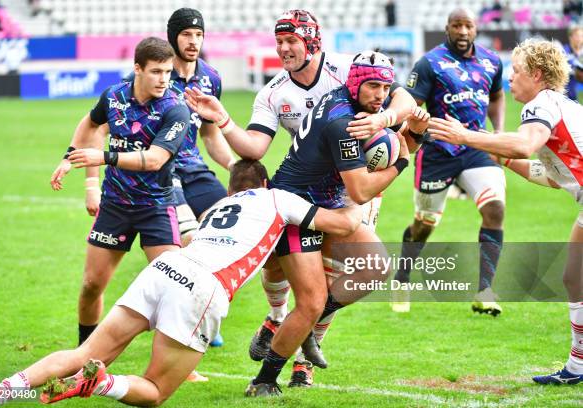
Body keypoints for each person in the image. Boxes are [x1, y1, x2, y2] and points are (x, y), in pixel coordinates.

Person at [0, 160, 363, 408]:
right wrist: (362, 190)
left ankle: (2, 390)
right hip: (203, 286)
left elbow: (193, 241)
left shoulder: (218, 207)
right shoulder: (277, 197)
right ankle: (104, 383)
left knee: (83, 353)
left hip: (167, 267)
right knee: (155, 392)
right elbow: (343, 225)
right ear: (264, 181)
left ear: (231, 189)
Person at [184, 9, 417, 387]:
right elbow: (255, 147)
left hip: (340, 186)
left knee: (366, 269)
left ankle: (299, 334)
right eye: (279, 42)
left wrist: (382, 120)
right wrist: (224, 120)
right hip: (304, 201)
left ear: (312, 42)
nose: (284, 49)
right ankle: (271, 360)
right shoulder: (277, 93)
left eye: (292, 41)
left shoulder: (349, 70)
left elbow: (402, 95)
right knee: (297, 285)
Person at [238, 51, 427, 397]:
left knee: (375, 267)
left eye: (385, 86)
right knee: (309, 301)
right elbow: (361, 188)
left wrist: (412, 132)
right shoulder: (343, 122)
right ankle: (264, 380)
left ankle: (302, 325)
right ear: (355, 83)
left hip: (327, 206)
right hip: (296, 209)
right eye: (372, 86)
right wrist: (401, 162)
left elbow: (404, 102)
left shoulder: (358, 107)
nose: (380, 94)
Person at [428, 38, 582, 385]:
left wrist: (466, 136)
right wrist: (504, 158)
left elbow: (525, 143)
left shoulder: (540, 106)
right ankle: (577, 367)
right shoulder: (557, 105)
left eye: (516, 71)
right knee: (574, 279)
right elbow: (555, 178)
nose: (509, 78)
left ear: (537, 75)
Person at [86, 8, 235, 356]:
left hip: (194, 167)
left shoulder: (210, 79)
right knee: (187, 243)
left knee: (227, 238)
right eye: (186, 34)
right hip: (161, 175)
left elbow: (211, 134)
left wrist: (235, 165)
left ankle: (203, 308)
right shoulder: (148, 77)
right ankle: (187, 327)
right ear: (173, 37)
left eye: (198, 35)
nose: (193, 41)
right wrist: (92, 180)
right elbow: (102, 126)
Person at [50, 37, 189, 347]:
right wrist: (69, 157)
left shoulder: (176, 109)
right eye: (156, 71)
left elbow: (154, 160)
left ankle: (175, 361)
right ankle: (84, 354)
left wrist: (105, 157)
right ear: (137, 68)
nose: (163, 79)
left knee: (173, 288)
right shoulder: (113, 97)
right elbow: (89, 124)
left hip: (156, 206)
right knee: (91, 285)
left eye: (168, 72)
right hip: (115, 205)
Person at [392, 7, 506, 316]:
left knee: (495, 208)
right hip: (438, 152)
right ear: (447, 28)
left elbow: (497, 96)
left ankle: (485, 290)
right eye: (457, 25)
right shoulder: (430, 63)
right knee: (424, 226)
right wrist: (407, 135)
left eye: (468, 25)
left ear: (476, 29)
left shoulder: (491, 61)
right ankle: (402, 277)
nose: (463, 31)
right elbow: (410, 103)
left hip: (475, 146)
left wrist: (497, 133)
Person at [563, 25, 583, 101]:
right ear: (571, 38)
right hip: (567, 87)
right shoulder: (564, 51)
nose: (579, 39)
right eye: (577, 36)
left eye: (581, 36)